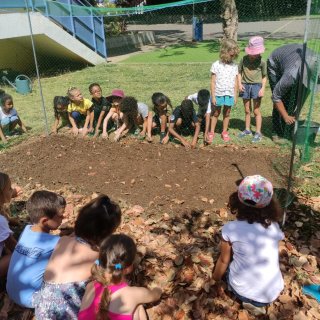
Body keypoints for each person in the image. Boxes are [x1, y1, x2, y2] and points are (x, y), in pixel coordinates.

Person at [33, 195, 121, 319]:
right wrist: (119, 264)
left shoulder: (62, 241)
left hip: (42, 312)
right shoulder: (98, 255)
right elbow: (115, 269)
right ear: (107, 232)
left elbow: (77, 238)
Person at [212, 175, 284, 316]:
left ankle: (248, 301)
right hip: (273, 291)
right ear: (270, 204)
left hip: (243, 291)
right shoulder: (274, 226)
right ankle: (258, 304)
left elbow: (223, 260)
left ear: (237, 200)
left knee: (227, 259)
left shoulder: (230, 228)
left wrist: (214, 280)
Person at [78, 234, 162, 320]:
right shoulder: (134, 294)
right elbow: (156, 295)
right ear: (129, 267)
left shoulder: (90, 286)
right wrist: (158, 288)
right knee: (138, 306)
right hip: (135, 297)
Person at [6, 190, 66, 308]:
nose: (63, 218)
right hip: (32, 299)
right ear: (44, 221)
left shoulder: (27, 229)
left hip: (11, 290)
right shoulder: (56, 242)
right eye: (60, 216)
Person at [267, 44, 316, 141]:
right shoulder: (291, 75)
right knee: (283, 98)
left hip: (293, 59)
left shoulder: (316, 63)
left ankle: (288, 127)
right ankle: (276, 131)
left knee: (292, 100)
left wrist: (297, 110)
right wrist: (285, 115)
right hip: (275, 64)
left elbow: (305, 91)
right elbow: (276, 96)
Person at [238, 36, 267, 143]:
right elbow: (239, 72)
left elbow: (264, 76)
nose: (253, 55)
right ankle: (247, 129)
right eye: (252, 52)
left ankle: (258, 132)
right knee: (247, 110)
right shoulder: (243, 59)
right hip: (245, 86)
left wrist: (262, 88)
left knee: (256, 110)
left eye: (255, 53)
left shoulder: (262, 62)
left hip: (256, 87)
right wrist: (239, 83)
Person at [210, 39, 239, 142]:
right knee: (216, 113)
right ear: (225, 51)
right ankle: (212, 132)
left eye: (234, 56)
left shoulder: (235, 66)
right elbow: (213, 82)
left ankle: (224, 132)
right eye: (231, 55)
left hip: (229, 93)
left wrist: (235, 95)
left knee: (227, 113)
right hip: (218, 93)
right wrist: (213, 96)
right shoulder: (216, 65)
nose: (233, 57)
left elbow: (236, 82)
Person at [0, 172, 18, 277]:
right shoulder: (1, 220)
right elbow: (13, 245)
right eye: (9, 189)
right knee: (17, 255)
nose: (12, 191)